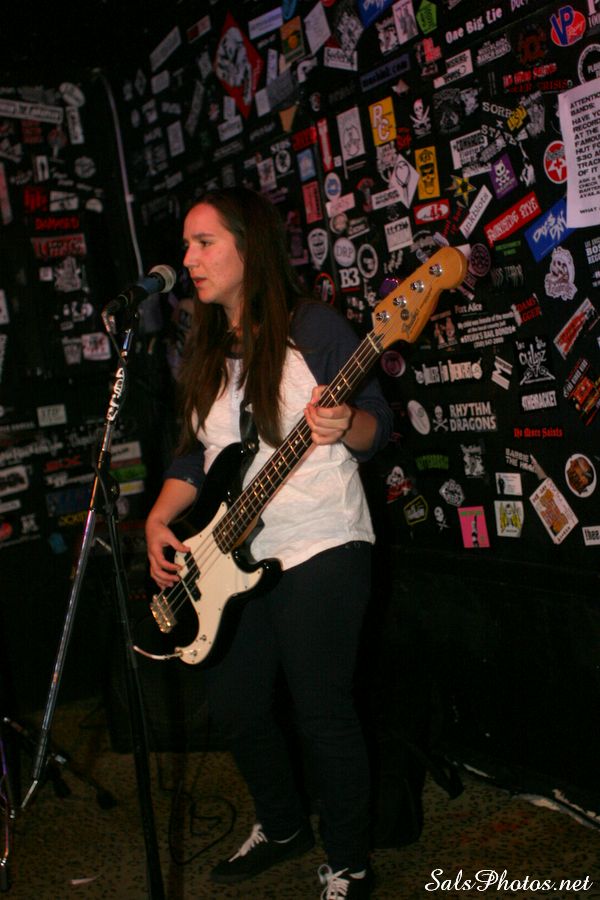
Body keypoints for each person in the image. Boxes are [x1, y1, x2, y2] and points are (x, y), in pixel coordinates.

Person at [145, 186, 393, 899]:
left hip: (321, 541)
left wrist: (344, 424)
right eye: (186, 245)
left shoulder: (313, 328)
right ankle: (282, 826)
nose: (189, 259)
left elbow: (377, 426)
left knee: (321, 710)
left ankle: (349, 865)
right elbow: (198, 456)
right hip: (233, 554)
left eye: (204, 243)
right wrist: (160, 520)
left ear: (248, 247)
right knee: (237, 705)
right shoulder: (205, 347)